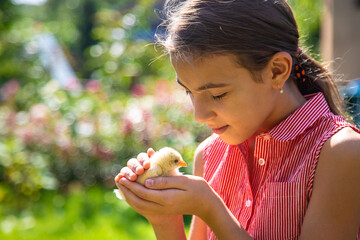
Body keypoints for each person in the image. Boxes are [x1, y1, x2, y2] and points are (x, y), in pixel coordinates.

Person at [114, 0, 360, 239]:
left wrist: (212, 210)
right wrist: (164, 218)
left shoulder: (339, 153)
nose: (199, 116)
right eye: (189, 91)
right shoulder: (210, 154)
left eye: (217, 94)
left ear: (277, 71)